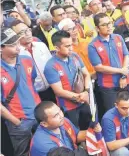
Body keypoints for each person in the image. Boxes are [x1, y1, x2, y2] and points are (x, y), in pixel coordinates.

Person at [1, 28, 41, 156]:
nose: (18, 47)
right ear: (1, 48)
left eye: (18, 43)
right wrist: (17, 122)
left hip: (38, 115)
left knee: (43, 149)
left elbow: (31, 82)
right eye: (12, 45)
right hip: (19, 121)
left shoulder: (26, 59)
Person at [44, 30, 92, 129]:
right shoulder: (51, 66)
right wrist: (79, 96)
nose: (71, 48)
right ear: (57, 48)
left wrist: (86, 91)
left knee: (88, 130)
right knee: (75, 134)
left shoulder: (75, 56)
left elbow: (86, 74)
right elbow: (59, 91)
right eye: (67, 46)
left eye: (71, 45)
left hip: (84, 101)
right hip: (68, 107)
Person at [88, 13, 129, 114]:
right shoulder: (93, 45)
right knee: (113, 112)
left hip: (125, 81)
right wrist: (121, 71)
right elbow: (99, 67)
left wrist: (123, 75)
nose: (109, 26)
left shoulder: (118, 38)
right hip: (108, 86)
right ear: (97, 28)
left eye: (110, 23)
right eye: (104, 24)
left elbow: (126, 55)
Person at [30, 101, 102, 156]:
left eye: (60, 111)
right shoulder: (43, 143)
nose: (61, 116)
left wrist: (93, 131)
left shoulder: (63, 121)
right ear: (44, 124)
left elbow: (76, 136)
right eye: (55, 115)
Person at [10, 20, 56, 103]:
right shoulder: (16, 53)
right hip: (33, 93)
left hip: (52, 88)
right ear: (15, 37)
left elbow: (51, 65)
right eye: (22, 32)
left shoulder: (41, 45)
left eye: (28, 30)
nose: (27, 34)